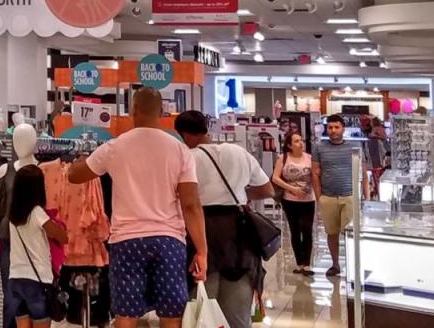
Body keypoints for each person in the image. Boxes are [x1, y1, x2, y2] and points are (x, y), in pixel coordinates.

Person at [68, 87, 207, 328]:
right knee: (172, 315)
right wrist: (202, 251)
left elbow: (75, 176)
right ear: (162, 112)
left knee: (126, 315)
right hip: (169, 240)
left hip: (127, 240)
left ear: (133, 110)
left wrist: (79, 161)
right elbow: (191, 204)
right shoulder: (180, 150)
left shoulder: (115, 147)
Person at [174, 111, 274, 328]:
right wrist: (242, 196)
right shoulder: (238, 152)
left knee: (201, 310)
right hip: (240, 234)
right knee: (238, 315)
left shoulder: (187, 158)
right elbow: (267, 189)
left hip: (201, 231)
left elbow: (184, 202)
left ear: (183, 134)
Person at [8, 165, 69, 328]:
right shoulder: (36, 212)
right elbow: (63, 237)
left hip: (15, 278)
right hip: (37, 281)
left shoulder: (12, 213)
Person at [312, 114, 369, 277]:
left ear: (343, 129)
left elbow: (364, 174)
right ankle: (335, 264)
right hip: (328, 197)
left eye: (336, 127)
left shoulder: (354, 146)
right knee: (332, 232)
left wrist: (367, 197)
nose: (333, 130)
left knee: (351, 233)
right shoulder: (319, 148)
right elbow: (315, 173)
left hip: (349, 196)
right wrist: (319, 197)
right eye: (330, 127)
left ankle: (353, 265)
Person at [272, 132, 316, 276]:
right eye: (296, 141)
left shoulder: (310, 158)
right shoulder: (283, 158)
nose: (300, 143)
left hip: (308, 199)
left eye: (301, 140)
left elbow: (315, 176)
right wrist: (292, 189)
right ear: (289, 145)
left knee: (307, 229)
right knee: (295, 230)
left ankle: (307, 264)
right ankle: (299, 263)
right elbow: (275, 178)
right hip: (290, 200)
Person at [365, 118, 390, 200]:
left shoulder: (376, 129)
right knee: (377, 174)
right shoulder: (381, 129)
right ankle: (377, 192)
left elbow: (382, 137)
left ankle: (377, 192)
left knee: (376, 173)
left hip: (376, 153)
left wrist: (373, 136)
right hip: (378, 153)